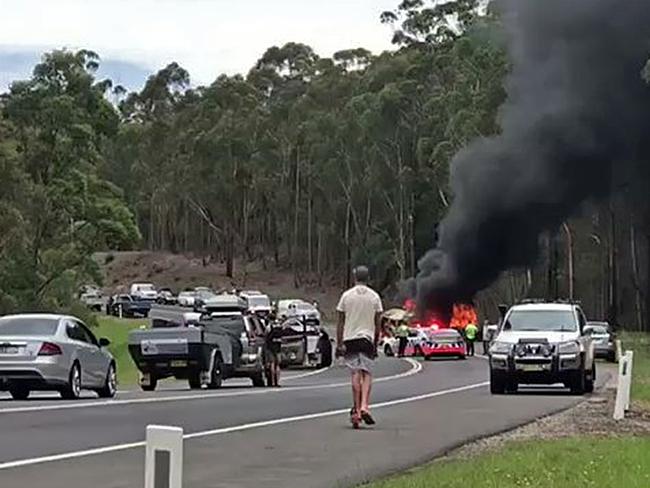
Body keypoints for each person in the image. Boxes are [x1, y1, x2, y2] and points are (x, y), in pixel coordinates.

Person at [336, 266, 383, 429]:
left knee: (355, 372)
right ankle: (364, 406)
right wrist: (376, 343)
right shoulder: (374, 297)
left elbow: (340, 321)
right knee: (367, 373)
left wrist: (340, 342)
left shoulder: (346, 296)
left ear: (354, 277)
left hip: (350, 339)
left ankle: (356, 410)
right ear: (368, 278)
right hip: (367, 338)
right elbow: (378, 324)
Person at [264, 321, 284, 387]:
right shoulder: (279, 326)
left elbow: (265, 336)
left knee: (272, 364)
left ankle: (272, 382)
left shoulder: (269, 326)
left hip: (270, 347)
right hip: (278, 347)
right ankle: (277, 381)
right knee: (277, 365)